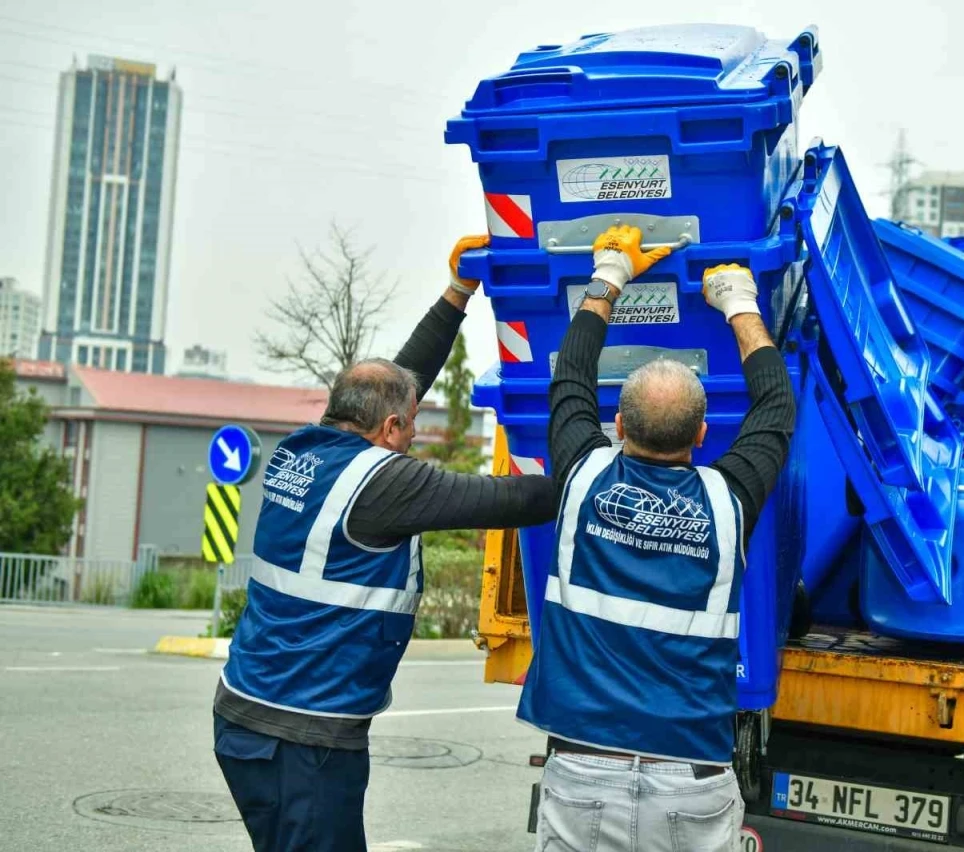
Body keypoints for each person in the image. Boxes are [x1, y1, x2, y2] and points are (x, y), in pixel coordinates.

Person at [212, 235, 559, 852]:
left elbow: (403, 378)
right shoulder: (384, 481)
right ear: (391, 428)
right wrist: (616, 470)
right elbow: (509, 500)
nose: (415, 434)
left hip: (248, 715)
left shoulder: (303, 449)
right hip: (306, 736)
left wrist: (458, 293)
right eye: (411, 426)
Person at [517, 226, 797, 851]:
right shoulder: (728, 501)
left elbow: (569, 381)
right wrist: (737, 301)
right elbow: (776, 406)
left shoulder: (582, 475)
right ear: (702, 434)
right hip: (691, 783)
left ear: (616, 426)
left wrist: (609, 274)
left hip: (582, 772)